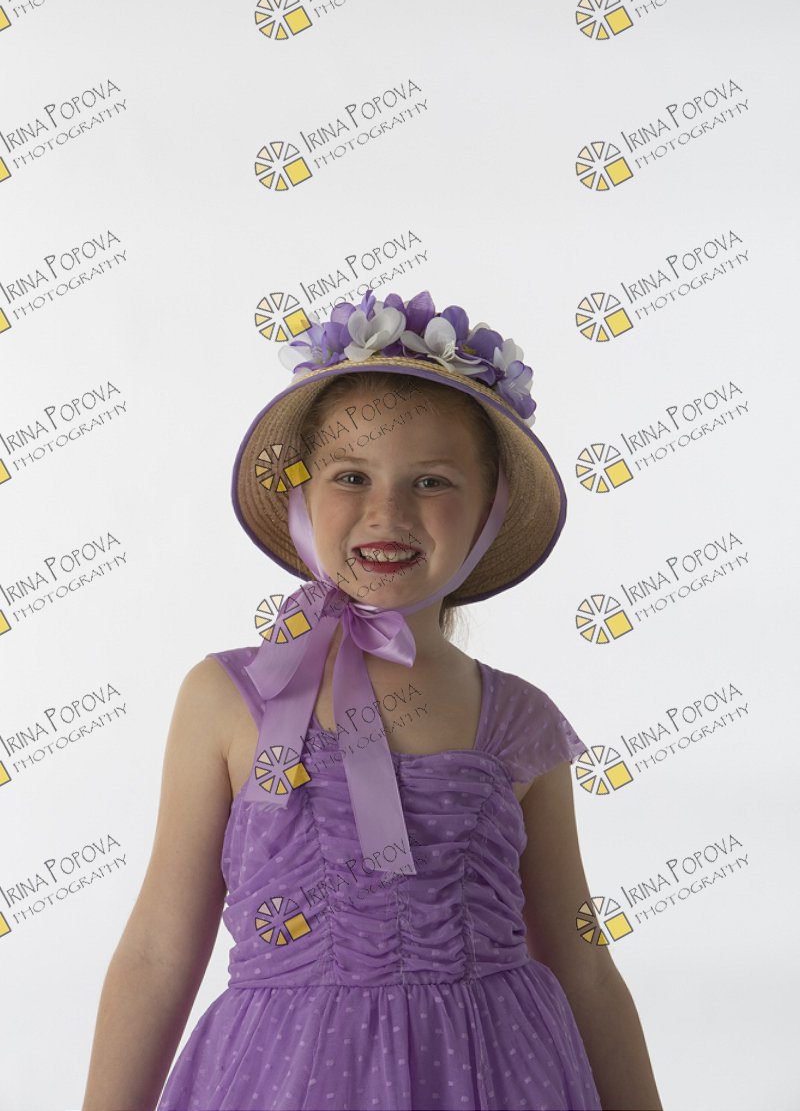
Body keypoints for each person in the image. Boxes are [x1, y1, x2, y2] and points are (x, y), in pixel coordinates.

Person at [82, 288, 663, 1111]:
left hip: (495, 1078)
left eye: (432, 481)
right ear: (301, 495)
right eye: (351, 476)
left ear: (489, 510)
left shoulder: (520, 720)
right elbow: (157, 948)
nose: (387, 512)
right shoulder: (230, 698)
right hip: (282, 1081)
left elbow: (582, 959)